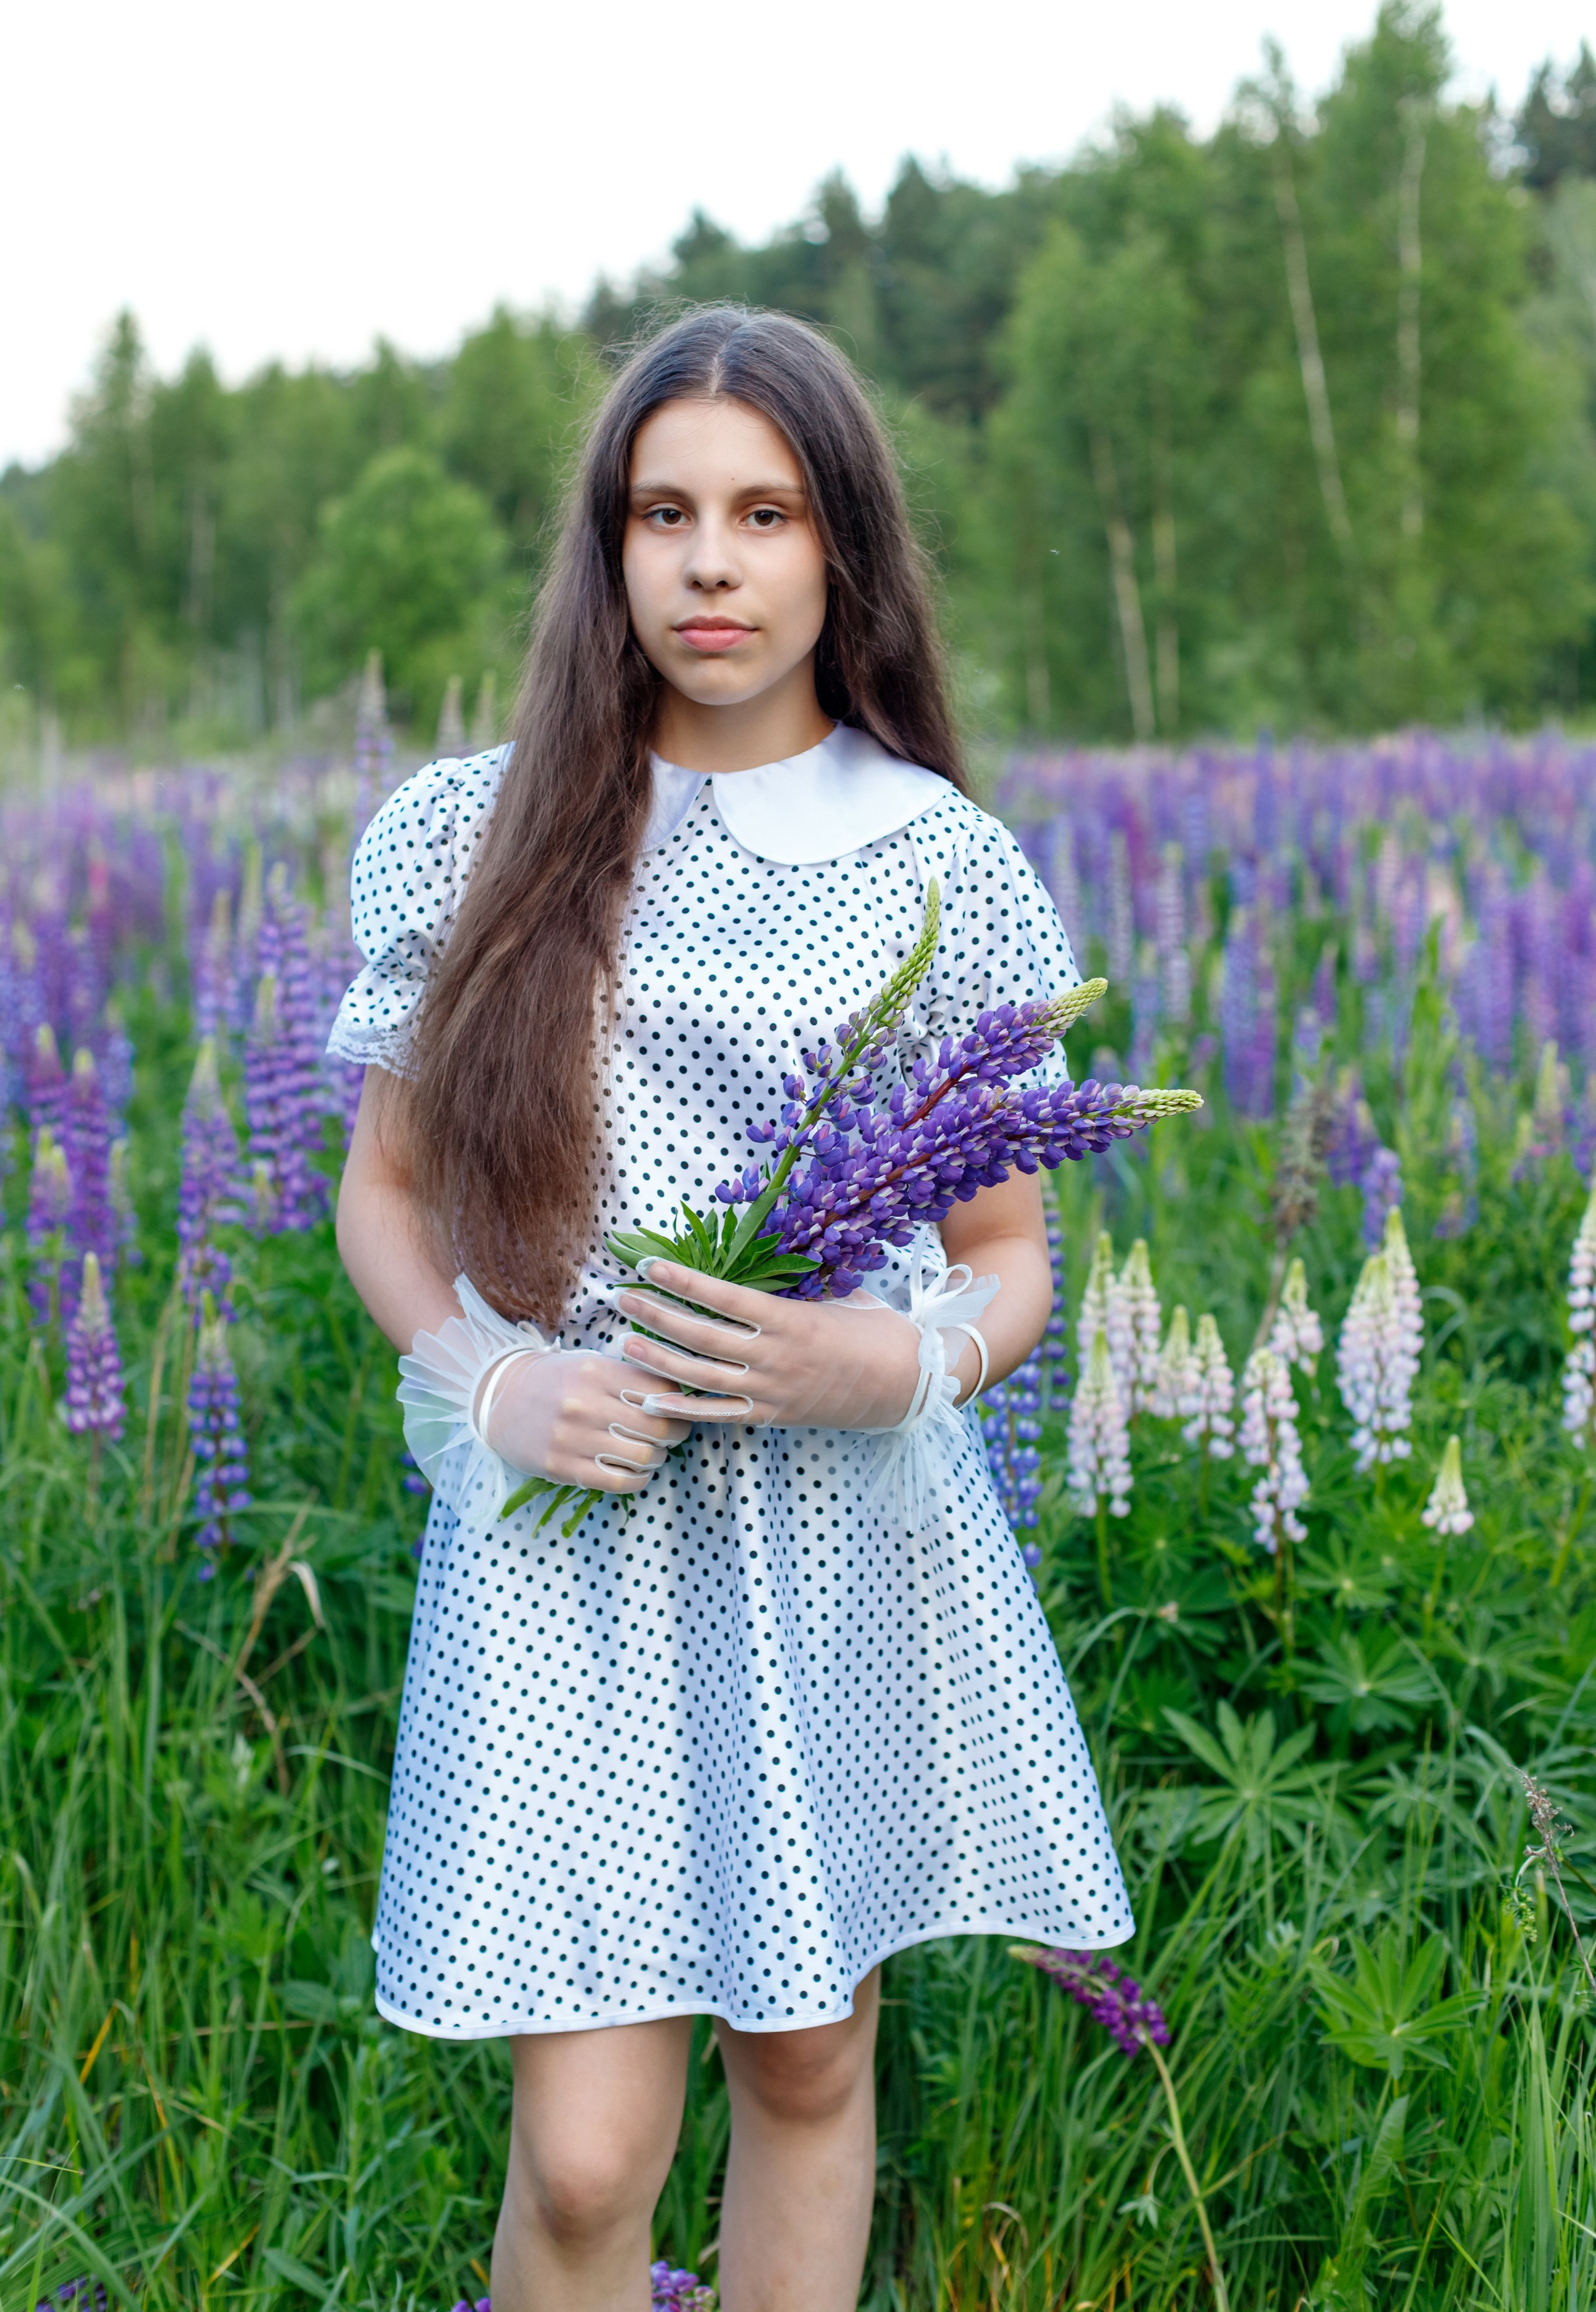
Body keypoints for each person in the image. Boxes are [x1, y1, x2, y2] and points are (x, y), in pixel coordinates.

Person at [330, 306, 1132, 2312]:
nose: (711, 564)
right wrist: (491, 1385)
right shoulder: (476, 829)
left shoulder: (937, 860)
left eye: (765, 515)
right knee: (587, 2162)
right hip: (568, 1538)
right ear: (607, 545)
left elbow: (1011, 1261)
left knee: (807, 2058)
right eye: (663, 512)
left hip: (840, 1535)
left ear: (841, 544)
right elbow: (386, 1199)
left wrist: (898, 1359)